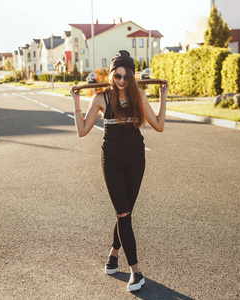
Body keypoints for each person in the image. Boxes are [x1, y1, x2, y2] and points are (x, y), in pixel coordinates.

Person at [69, 50, 168, 292]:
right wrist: (75, 101)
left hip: (136, 158)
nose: (121, 81)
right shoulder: (101, 98)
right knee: (123, 214)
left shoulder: (139, 96)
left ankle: (113, 255)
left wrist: (164, 97)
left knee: (126, 211)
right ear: (112, 74)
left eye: (125, 76)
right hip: (111, 160)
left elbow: (159, 126)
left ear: (132, 76)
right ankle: (136, 272)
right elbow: (82, 130)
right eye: (117, 75)